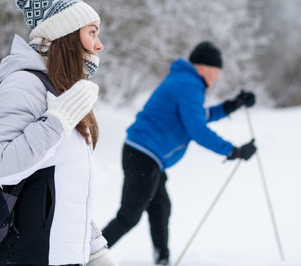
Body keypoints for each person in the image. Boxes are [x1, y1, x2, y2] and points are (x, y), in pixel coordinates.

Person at [0, 0, 117, 266]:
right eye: (92, 32)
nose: (99, 44)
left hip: (62, 257)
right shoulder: (24, 84)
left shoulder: (61, 91)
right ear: (65, 35)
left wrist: (95, 250)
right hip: (27, 257)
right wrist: (58, 121)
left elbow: (64, 190)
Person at [101, 41, 257, 265]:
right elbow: (197, 130)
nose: (217, 78)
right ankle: (83, 257)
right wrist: (234, 151)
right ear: (203, 68)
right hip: (144, 155)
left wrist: (232, 105)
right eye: (215, 72)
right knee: (128, 217)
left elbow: (195, 116)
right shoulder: (189, 85)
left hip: (146, 156)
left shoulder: (186, 82)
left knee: (161, 207)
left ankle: (162, 259)